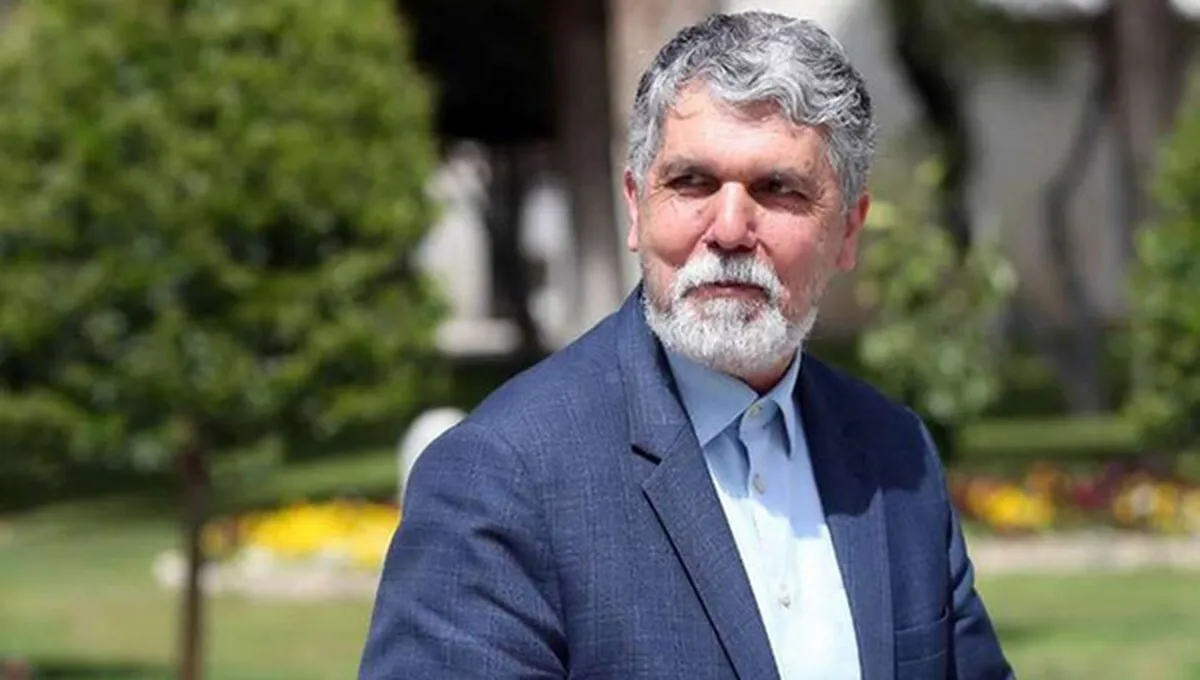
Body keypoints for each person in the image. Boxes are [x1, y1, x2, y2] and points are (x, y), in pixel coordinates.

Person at [359, 10, 1014, 680]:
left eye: (777, 189)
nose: (729, 228)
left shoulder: (893, 454)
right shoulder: (499, 477)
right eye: (692, 182)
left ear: (848, 230)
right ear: (636, 206)